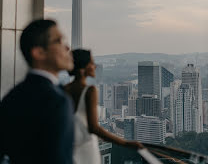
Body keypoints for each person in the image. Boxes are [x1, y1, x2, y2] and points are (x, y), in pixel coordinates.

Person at [0, 19, 74, 164]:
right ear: (39, 53)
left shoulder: (12, 96)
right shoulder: (56, 101)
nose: (67, 47)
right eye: (59, 40)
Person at [64, 49, 144, 164]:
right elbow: (94, 128)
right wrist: (125, 143)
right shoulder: (90, 91)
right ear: (83, 67)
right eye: (91, 63)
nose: (95, 66)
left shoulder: (63, 89)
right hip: (86, 148)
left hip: (68, 147)